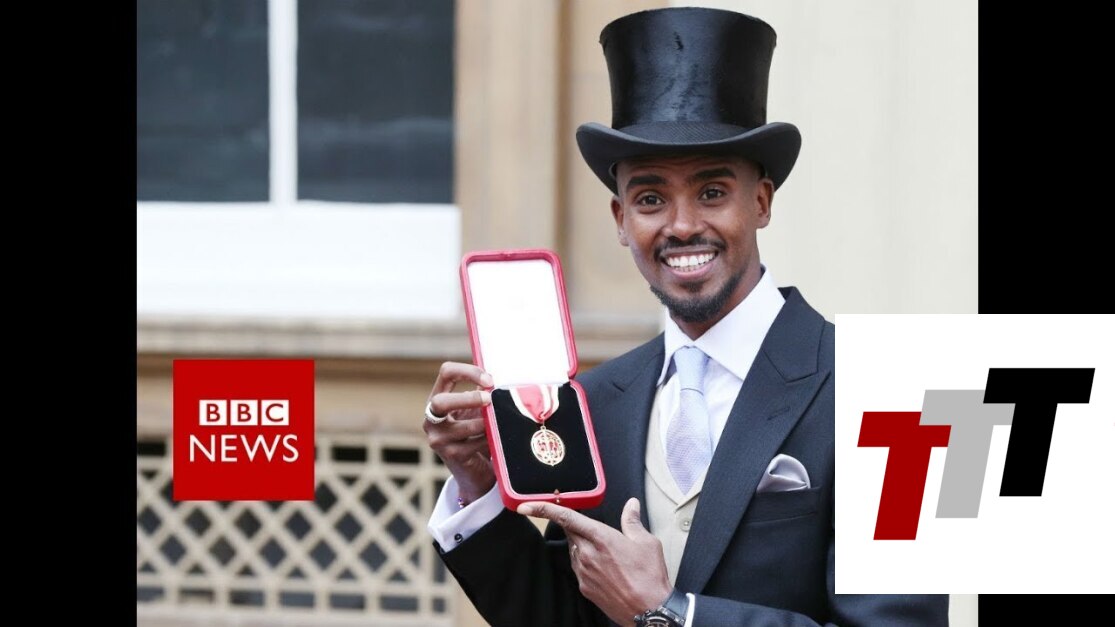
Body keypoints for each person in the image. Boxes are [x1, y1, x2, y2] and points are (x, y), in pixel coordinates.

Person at [422, 7, 948, 626]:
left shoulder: (900, 396)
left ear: (761, 201)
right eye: (650, 198)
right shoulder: (594, 402)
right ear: (621, 220)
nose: (681, 225)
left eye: (712, 192)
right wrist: (478, 487)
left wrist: (671, 613)